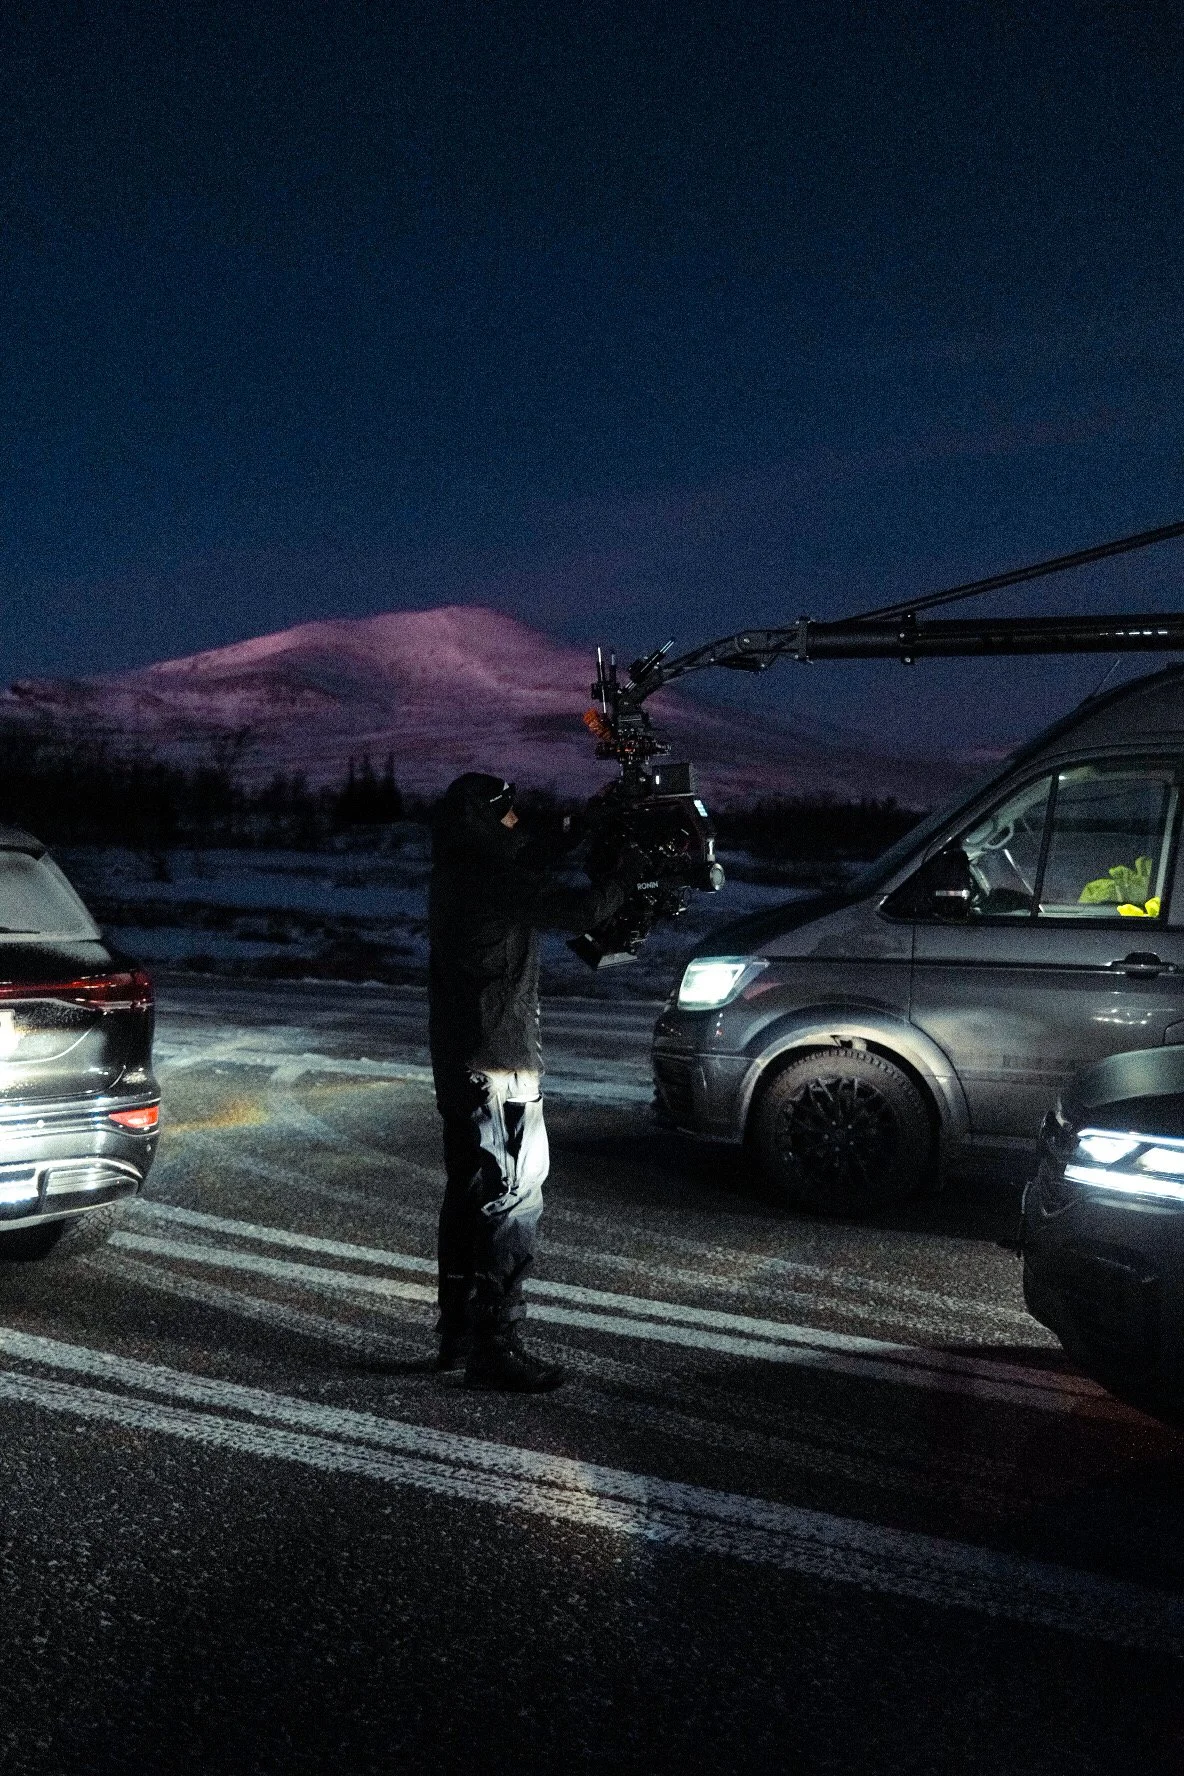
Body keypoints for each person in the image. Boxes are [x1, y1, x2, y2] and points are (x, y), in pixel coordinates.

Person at [428, 773, 631, 1391]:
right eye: (508, 813)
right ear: (486, 822)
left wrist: (582, 827)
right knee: (514, 1197)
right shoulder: (492, 876)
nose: (517, 820)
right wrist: (628, 874)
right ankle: (496, 1343)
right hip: (499, 1065)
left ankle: (457, 1334)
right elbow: (580, 910)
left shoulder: (460, 869)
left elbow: (529, 854)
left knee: (469, 1196)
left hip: (463, 1061)